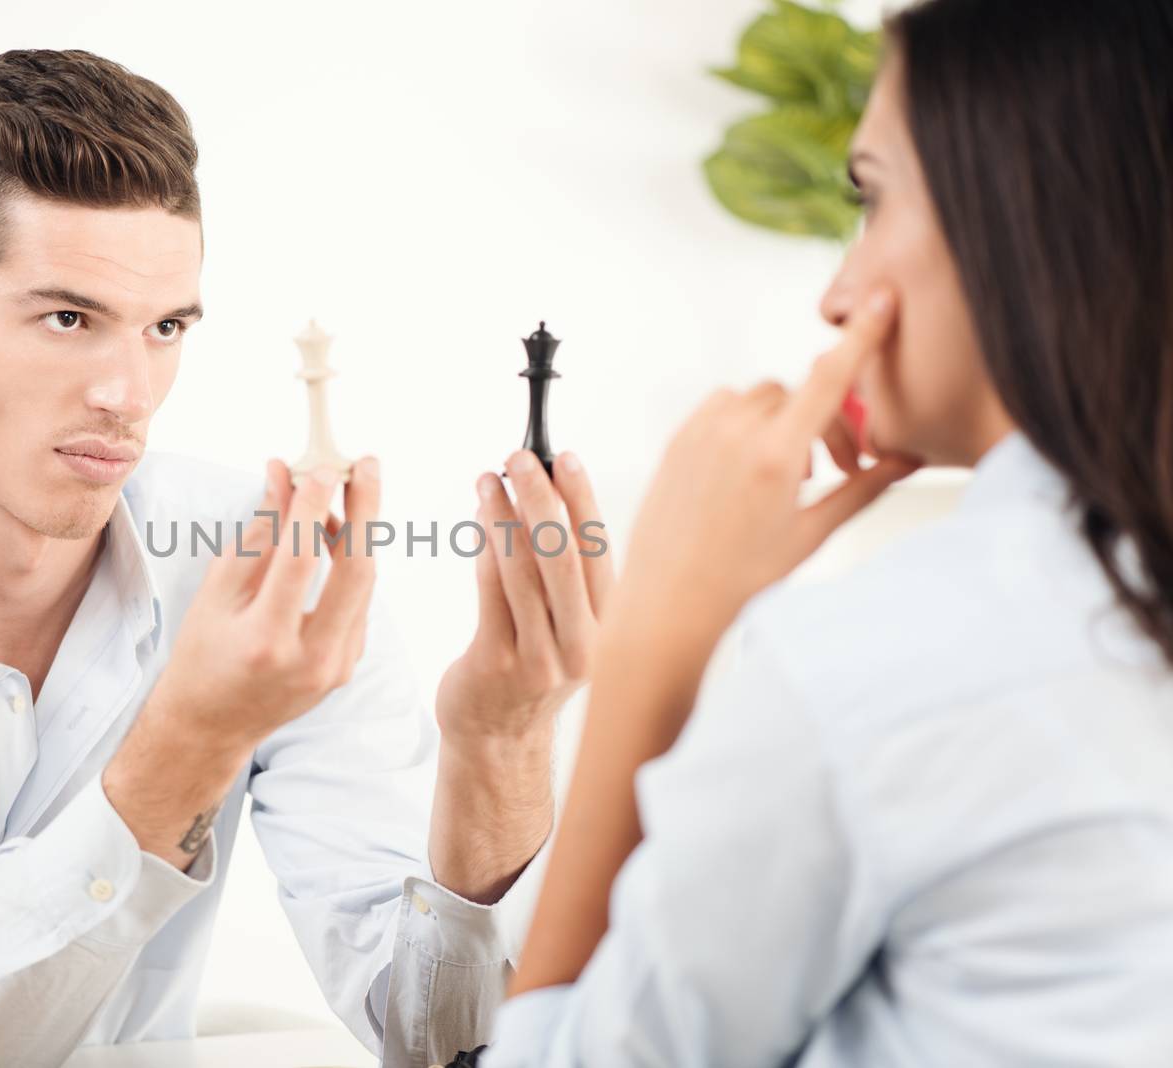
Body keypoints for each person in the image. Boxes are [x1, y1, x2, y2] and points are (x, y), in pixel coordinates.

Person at [0, 49, 613, 1068]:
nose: (128, 393)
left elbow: (440, 1042)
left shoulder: (257, 572)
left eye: (166, 326)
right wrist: (188, 743)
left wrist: (503, 744)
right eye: (67, 318)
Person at [484, 0, 1173, 1064]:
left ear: (1027, 213)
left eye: (873, 196)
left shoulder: (871, 666)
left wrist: (651, 658)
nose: (836, 294)